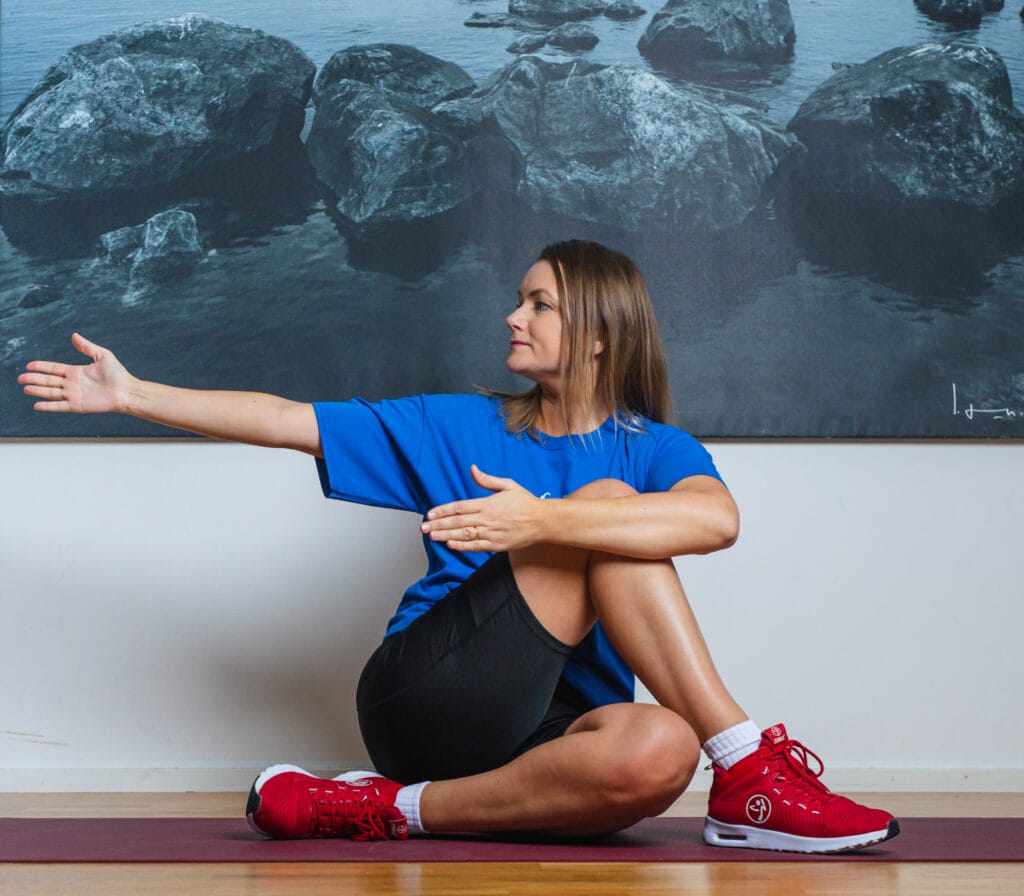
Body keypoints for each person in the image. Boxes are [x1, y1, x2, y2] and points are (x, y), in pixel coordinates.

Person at [19, 239, 898, 853]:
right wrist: (134, 396)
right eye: (519, 298)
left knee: (661, 748)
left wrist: (542, 521)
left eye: (539, 303)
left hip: (538, 749)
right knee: (610, 508)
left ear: (596, 334)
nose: (513, 315)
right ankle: (747, 765)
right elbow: (289, 421)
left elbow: (717, 521)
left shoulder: (652, 445)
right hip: (427, 699)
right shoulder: (463, 424)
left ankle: (383, 810)